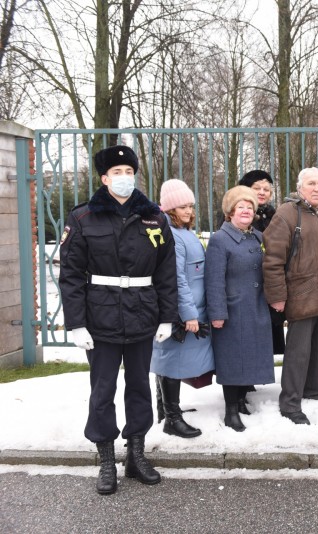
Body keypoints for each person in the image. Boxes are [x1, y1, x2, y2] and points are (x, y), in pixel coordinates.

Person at [59, 145, 178, 495]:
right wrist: (76, 323)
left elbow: (166, 272)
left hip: (143, 313)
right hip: (101, 317)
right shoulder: (83, 218)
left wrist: (167, 317)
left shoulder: (155, 217)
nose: (124, 178)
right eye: (117, 173)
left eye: (129, 172)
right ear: (104, 178)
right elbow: (70, 275)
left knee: (139, 387)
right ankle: (106, 461)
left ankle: (136, 455)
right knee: (103, 390)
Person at [262, 167, 318, 425]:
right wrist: (277, 296)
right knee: (298, 352)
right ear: (300, 188)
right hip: (302, 293)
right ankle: (290, 402)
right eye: (311, 183)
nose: (317, 188)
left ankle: (314, 390)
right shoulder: (287, 214)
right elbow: (273, 259)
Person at [205, 186, 275, 432]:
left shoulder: (257, 236)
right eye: (240, 207)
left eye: (250, 207)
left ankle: (242, 401)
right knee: (233, 359)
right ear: (230, 211)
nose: (246, 211)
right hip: (233, 309)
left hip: (255, 305)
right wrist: (217, 314)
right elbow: (214, 280)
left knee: (250, 356)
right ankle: (230, 411)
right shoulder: (219, 239)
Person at [150, 179, 215, 439]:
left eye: (190, 206)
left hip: (188, 308)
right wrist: (189, 313)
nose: (188, 211)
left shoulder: (183, 232)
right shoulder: (172, 236)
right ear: (169, 209)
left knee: (168, 360)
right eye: (182, 207)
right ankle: (171, 418)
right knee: (171, 361)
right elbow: (176, 278)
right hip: (179, 311)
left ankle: (164, 410)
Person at [239, 170, 286, 357]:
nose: (262, 192)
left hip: (269, 281)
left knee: (267, 332)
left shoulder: (274, 215)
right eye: (257, 188)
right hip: (246, 283)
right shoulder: (237, 214)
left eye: (266, 189)